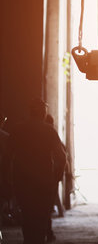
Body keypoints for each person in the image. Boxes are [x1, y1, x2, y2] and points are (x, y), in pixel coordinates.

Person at [8, 99, 66, 244]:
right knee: (41, 218)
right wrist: (56, 179)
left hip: (22, 181)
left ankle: (28, 240)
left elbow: (6, 157)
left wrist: (7, 179)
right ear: (43, 113)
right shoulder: (49, 131)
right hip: (44, 183)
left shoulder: (17, 130)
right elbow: (61, 157)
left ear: (30, 112)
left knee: (27, 217)